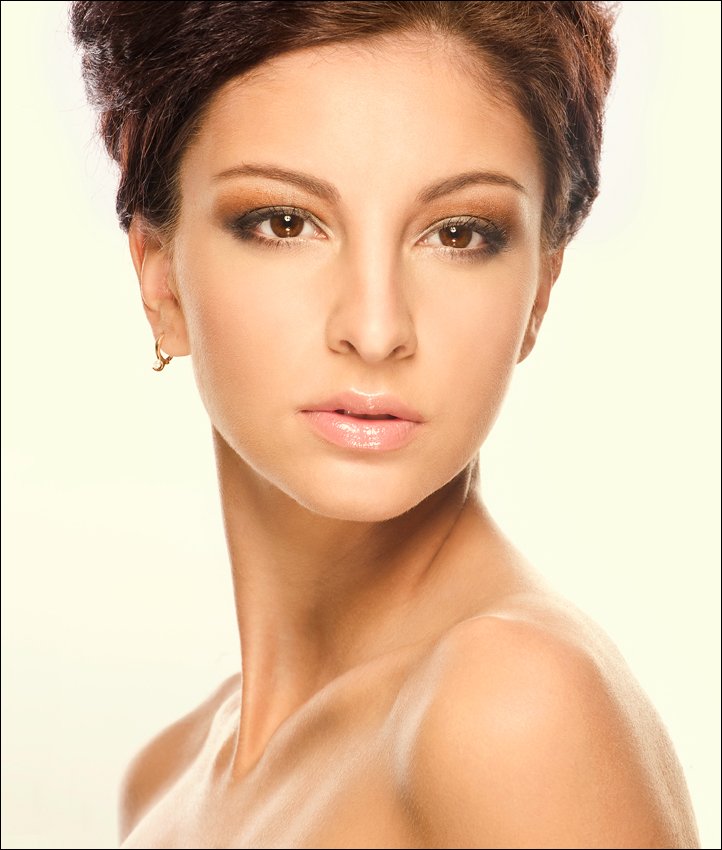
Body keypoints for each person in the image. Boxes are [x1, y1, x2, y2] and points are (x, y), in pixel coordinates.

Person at [69, 2, 700, 847]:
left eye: (458, 233)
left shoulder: (513, 707)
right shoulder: (162, 784)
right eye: (285, 222)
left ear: (540, 290)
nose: (375, 330)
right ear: (161, 279)